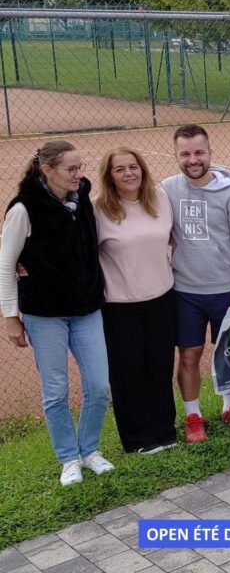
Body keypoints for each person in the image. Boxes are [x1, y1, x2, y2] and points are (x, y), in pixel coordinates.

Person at [1, 141, 114, 485]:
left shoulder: (83, 201)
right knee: (56, 390)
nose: (79, 174)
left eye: (81, 167)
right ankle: (68, 458)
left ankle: (89, 450)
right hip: (44, 314)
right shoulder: (24, 208)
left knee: (98, 386)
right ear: (46, 170)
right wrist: (10, 317)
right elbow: (6, 263)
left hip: (87, 308)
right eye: (71, 169)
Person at [165, 124, 230, 443]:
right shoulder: (166, 190)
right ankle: (193, 416)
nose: (193, 159)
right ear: (176, 155)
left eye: (199, 152)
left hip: (227, 293)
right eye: (185, 153)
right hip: (185, 293)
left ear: (210, 153)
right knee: (188, 356)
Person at [95, 146, 177, 454]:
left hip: (161, 298)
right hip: (120, 306)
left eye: (133, 167)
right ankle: (138, 438)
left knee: (159, 366)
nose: (129, 173)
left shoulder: (159, 198)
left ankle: (165, 429)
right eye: (120, 169)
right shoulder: (99, 209)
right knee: (128, 373)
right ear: (110, 176)